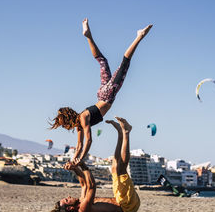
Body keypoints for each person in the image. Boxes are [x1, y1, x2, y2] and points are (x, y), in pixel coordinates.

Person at [50, 19, 152, 165]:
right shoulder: (80, 123)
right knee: (102, 60)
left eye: (65, 124)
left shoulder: (83, 118)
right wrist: (73, 161)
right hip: (103, 93)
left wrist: (80, 159)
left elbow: (89, 140)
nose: (67, 127)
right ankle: (88, 36)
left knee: (125, 64)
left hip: (108, 94)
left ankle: (139, 36)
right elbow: (79, 146)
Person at [51, 117, 140, 212]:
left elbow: (84, 184)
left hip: (121, 199)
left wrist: (75, 168)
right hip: (127, 205)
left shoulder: (81, 200)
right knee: (121, 170)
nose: (68, 196)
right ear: (70, 208)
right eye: (67, 200)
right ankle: (126, 132)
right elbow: (92, 186)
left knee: (114, 168)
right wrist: (84, 166)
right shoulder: (83, 208)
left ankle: (120, 133)